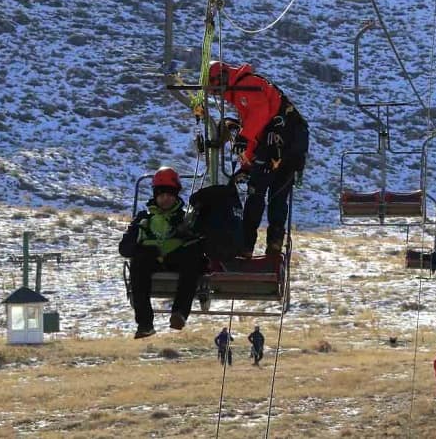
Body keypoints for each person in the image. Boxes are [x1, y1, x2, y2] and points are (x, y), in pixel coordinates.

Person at [207, 61, 309, 257]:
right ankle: (263, 246)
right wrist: (247, 162)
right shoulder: (245, 91)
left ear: (222, 79)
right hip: (284, 148)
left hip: (283, 148)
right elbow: (256, 129)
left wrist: (244, 139)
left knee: (264, 196)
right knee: (268, 196)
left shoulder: (247, 87)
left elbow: (259, 117)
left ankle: (257, 246)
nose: (217, 95)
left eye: (215, 89)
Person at [119, 167, 205, 339]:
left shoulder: (185, 219)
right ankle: (145, 323)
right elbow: (124, 248)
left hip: (177, 259)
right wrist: (141, 248)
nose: (165, 198)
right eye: (161, 194)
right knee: (139, 264)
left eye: (169, 194)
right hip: (149, 261)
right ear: (155, 195)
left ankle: (179, 313)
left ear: (176, 195)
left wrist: (187, 235)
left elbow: (200, 243)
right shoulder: (144, 219)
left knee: (193, 260)